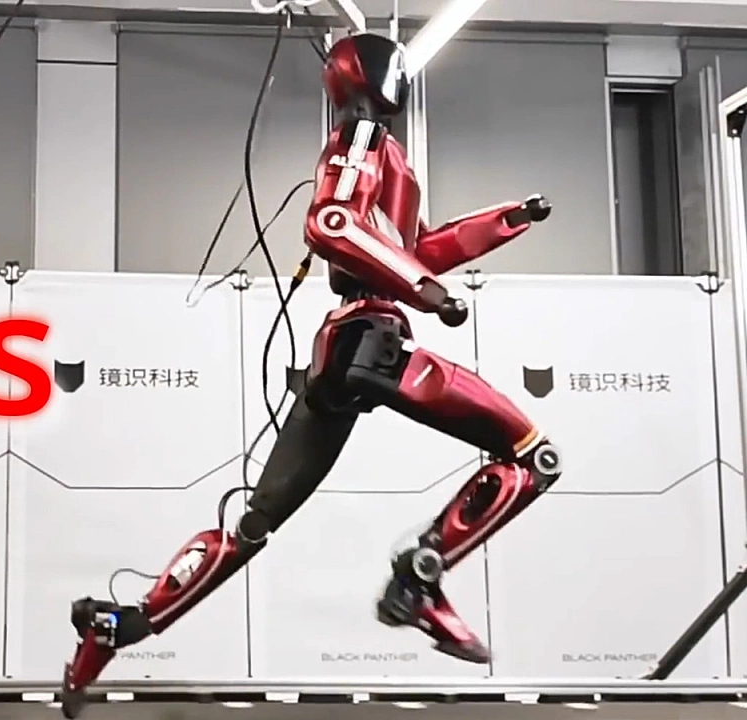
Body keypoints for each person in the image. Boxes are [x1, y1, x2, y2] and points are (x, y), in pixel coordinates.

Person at [58, 32, 560, 719]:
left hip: (344, 352)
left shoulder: (384, 153)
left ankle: (119, 627)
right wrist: (425, 293)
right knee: (534, 456)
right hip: (373, 340)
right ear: (370, 74)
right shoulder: (361, 139)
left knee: (253, 523)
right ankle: (420, 578)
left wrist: (508, 221)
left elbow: (415, 247)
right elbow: (331, 222)